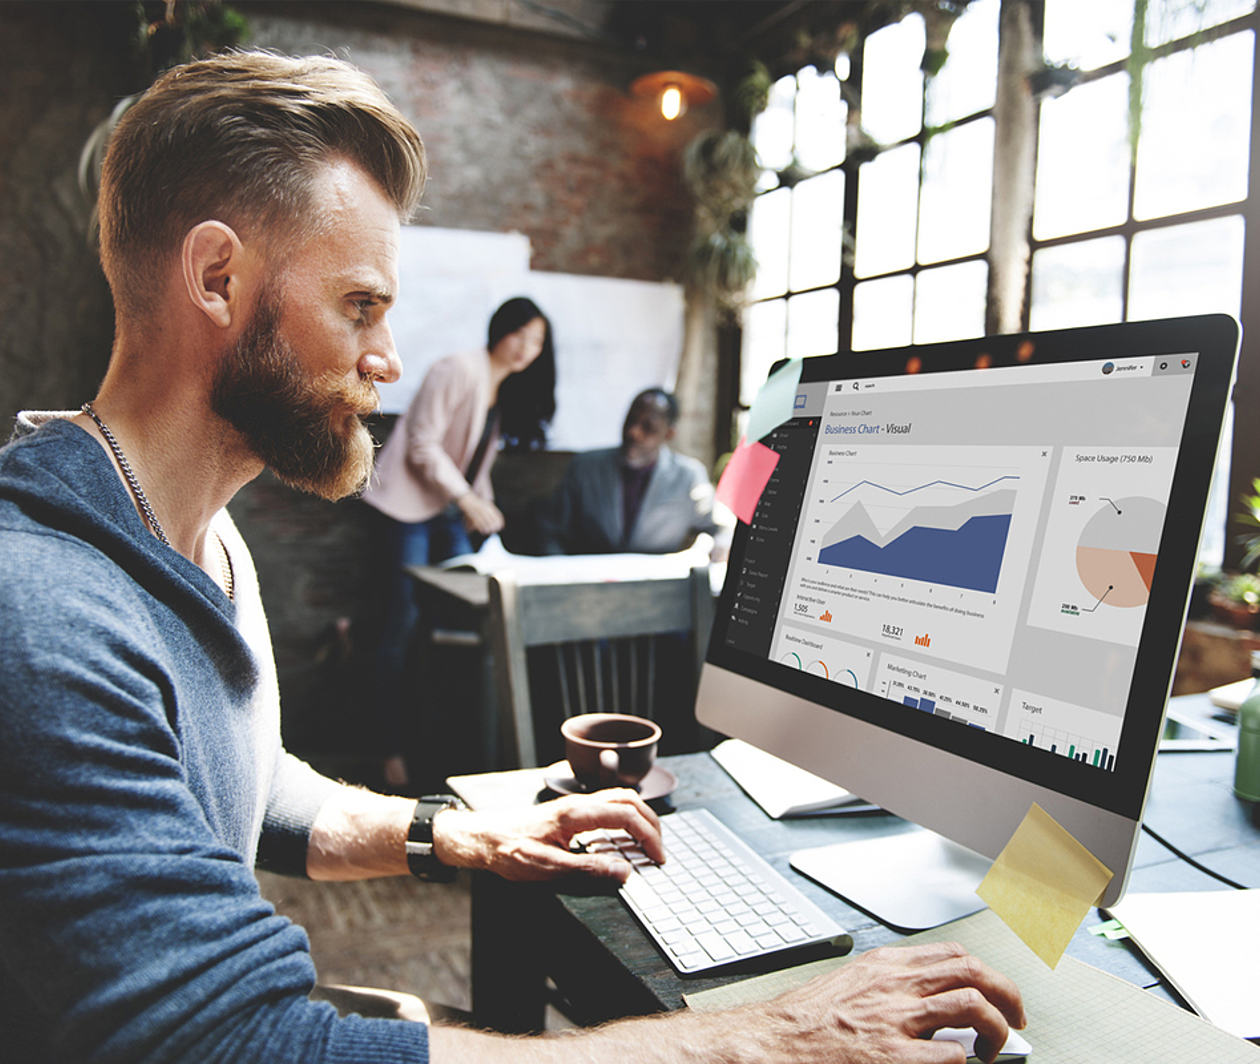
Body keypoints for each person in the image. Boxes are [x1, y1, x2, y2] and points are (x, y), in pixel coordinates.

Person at [0, 49, 1025, 1064]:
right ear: (217, 276)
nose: (387, 357)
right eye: (360, 305)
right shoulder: (48, 615)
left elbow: (248, 784)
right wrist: (769, 1039)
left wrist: (461, 832)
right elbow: (246, 1040)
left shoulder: (202, 536)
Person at [361, 296, 555, 787]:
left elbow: (475, 463)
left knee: (460, 621)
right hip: (406, 509)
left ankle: (444, 745)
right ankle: (387, 747)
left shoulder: (501, 389)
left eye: (537, 343)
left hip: (446, 512)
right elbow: (422, 445)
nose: (526, 350)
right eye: (521, 335)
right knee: (401, 623)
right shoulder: (457, 368)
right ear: (500, 329)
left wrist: (482, 508)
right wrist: (469, 499)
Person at [534, 388, 726, 557]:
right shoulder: (585, 467)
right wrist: (561, 570)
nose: (633, 432)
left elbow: (718, 526)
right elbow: (550, 529)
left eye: (648, 427)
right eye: (631, 421)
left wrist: (721, 542)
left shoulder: (688, 476)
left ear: (668, 434)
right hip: (589, 583)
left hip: (658, 586)